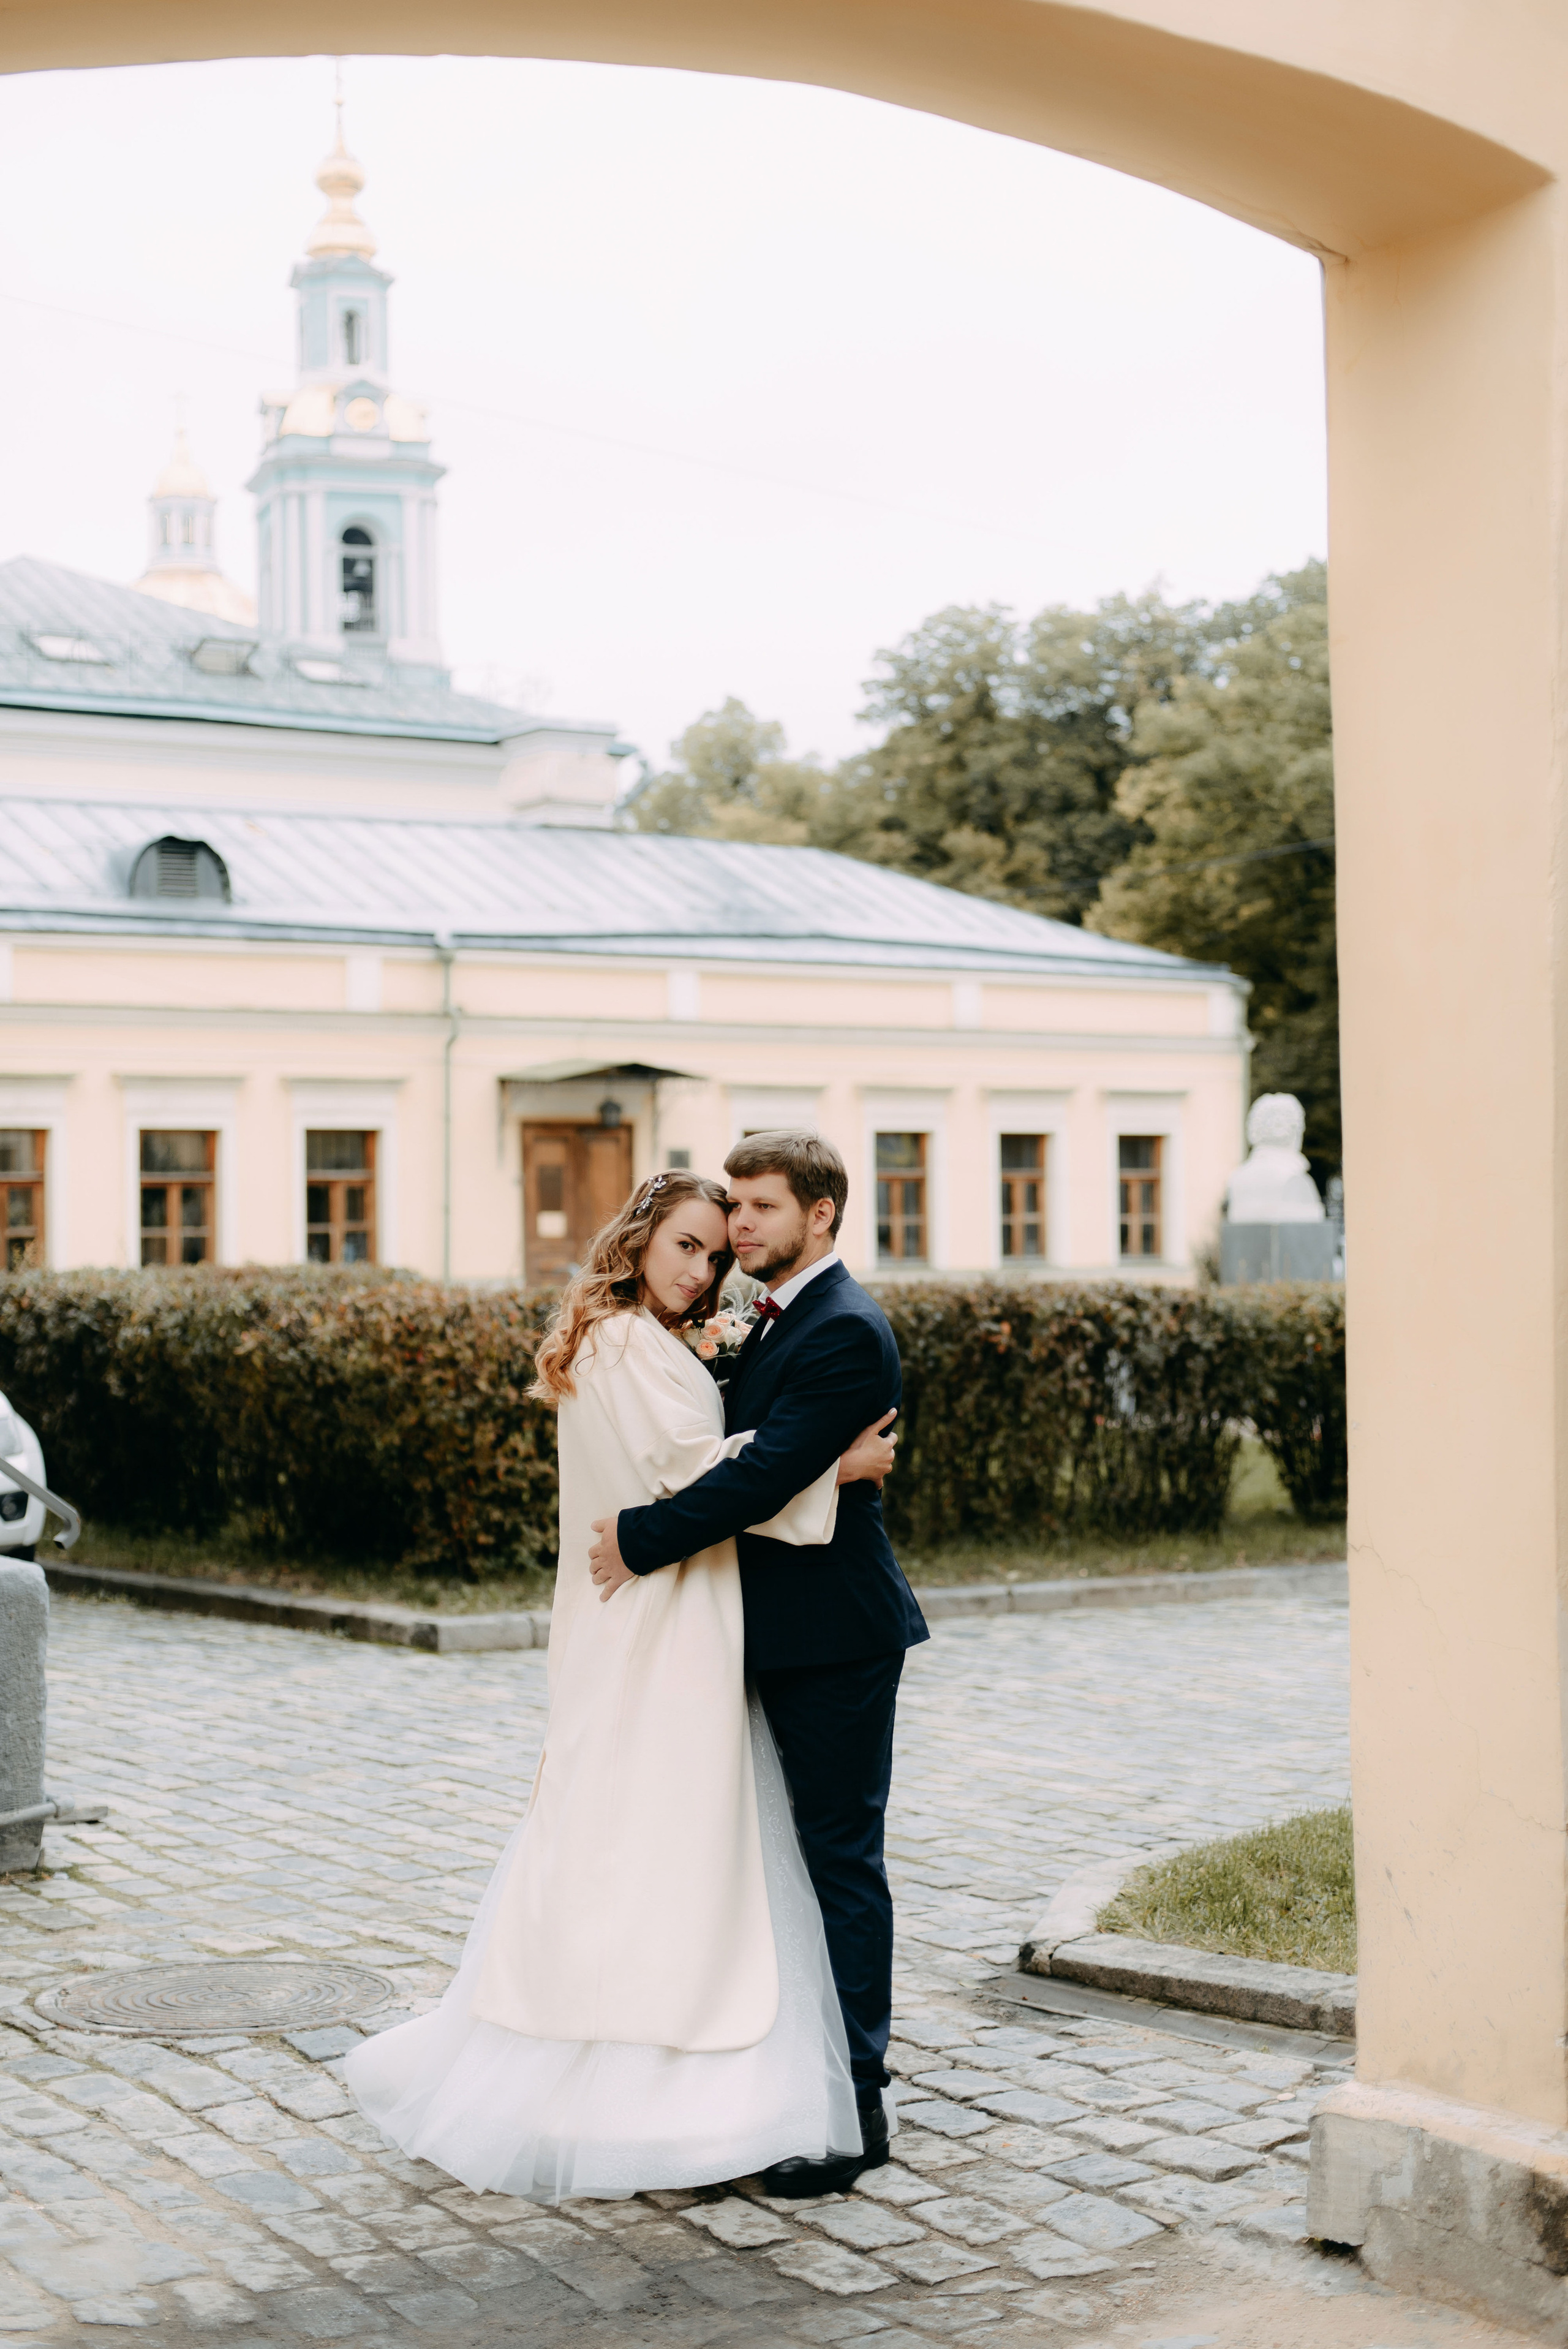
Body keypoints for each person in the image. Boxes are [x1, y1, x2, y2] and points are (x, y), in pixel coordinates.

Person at [343, 1170, 897, 2201]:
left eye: (715, 1254)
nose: (702, 1269)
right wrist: (841, 1468)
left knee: (659, 1831)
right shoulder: (618, 1344)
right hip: (655, 1613)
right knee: (653, 1832)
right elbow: (696, 1475)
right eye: (686, 1245)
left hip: (672, 1606)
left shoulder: (635, 1335)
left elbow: (703, 1464)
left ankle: (695, 2059)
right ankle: (644, 2068)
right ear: (640, 1237)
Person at [589, 1130, 929, 2196]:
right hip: (758, 1626)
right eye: (733, 1206)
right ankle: (786, 2074)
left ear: (821, 1214)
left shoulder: (843, 1328)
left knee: (835, 1859)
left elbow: (762, 1473)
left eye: (764, 1208)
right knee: (775, 1861)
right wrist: (839, 1459)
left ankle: (855, 2107)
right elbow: (745, 1444)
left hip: (833, 1635)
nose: (739, 1227)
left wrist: (634, 1542)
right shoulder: (759, 1313)